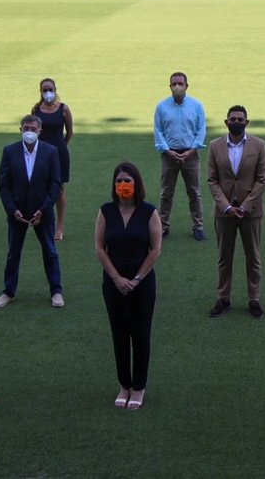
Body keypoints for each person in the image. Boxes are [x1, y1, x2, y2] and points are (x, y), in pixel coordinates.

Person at [96, 162, 162, 410]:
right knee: (119, 334)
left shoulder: (148, 212)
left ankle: (139, 387)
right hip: (113, 283)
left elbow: (155, 250)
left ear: (137, 184)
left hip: (141, 284)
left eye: (128, 180)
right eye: (119, 181)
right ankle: (124, 384)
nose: (123, 185)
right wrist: (116, 278)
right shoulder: (105, 211)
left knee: (140, 334)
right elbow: (100, 248)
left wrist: (135, 279)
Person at [206, 105, 265, 319]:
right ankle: (223, 298)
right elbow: (212, 180)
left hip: (250, 212)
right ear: (226, 122)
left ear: (247, 122)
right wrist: (226, 206)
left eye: (240, 119)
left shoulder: (259, 145)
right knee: (224, 257)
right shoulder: (215, 146)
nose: (237, 122)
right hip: (224, 213)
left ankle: (254, 299)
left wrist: (243, 207)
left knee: (253, 257)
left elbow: (262, 180)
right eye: (233, 119)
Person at [0, 115, 64, 308]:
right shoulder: (10, 151)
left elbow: (55, 184)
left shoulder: (51, 152)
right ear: (20, 130)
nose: (30, 132)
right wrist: (12, 209)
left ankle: (56, 291)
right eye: (26, 128)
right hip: (17, 213)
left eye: (33, 129)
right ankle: (8, 292)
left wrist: (44, 209)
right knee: (13, 253)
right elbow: (4, 185)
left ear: (40, 131)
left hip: (43, 212)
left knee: (50, 252)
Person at [153, 71, 207, 240]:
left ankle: (198, 227)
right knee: (166, 193)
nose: (177, 87)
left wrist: (191, 151)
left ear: (186, 86)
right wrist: (168, 151)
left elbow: (201, 130)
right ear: (170, 87)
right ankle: (163, 227)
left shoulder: (197, 106)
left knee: (194, 193)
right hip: (169, 155)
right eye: (174, 84)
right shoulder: (162, 107)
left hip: (191, 154)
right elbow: (158, 131)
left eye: (180, 84)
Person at [32, 77, 74, 242]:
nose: (48, 93)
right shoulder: (36, 109)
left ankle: (59, 227)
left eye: (50, 89)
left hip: (59, 153)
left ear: (56, 90)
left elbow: (70, 132)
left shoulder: (64, 109)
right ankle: (42, 221)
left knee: (59, 189)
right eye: (44, 90)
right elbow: (33, 130)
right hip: (41, 154)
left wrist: (61, 146)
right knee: (41, 187)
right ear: (40, 92)